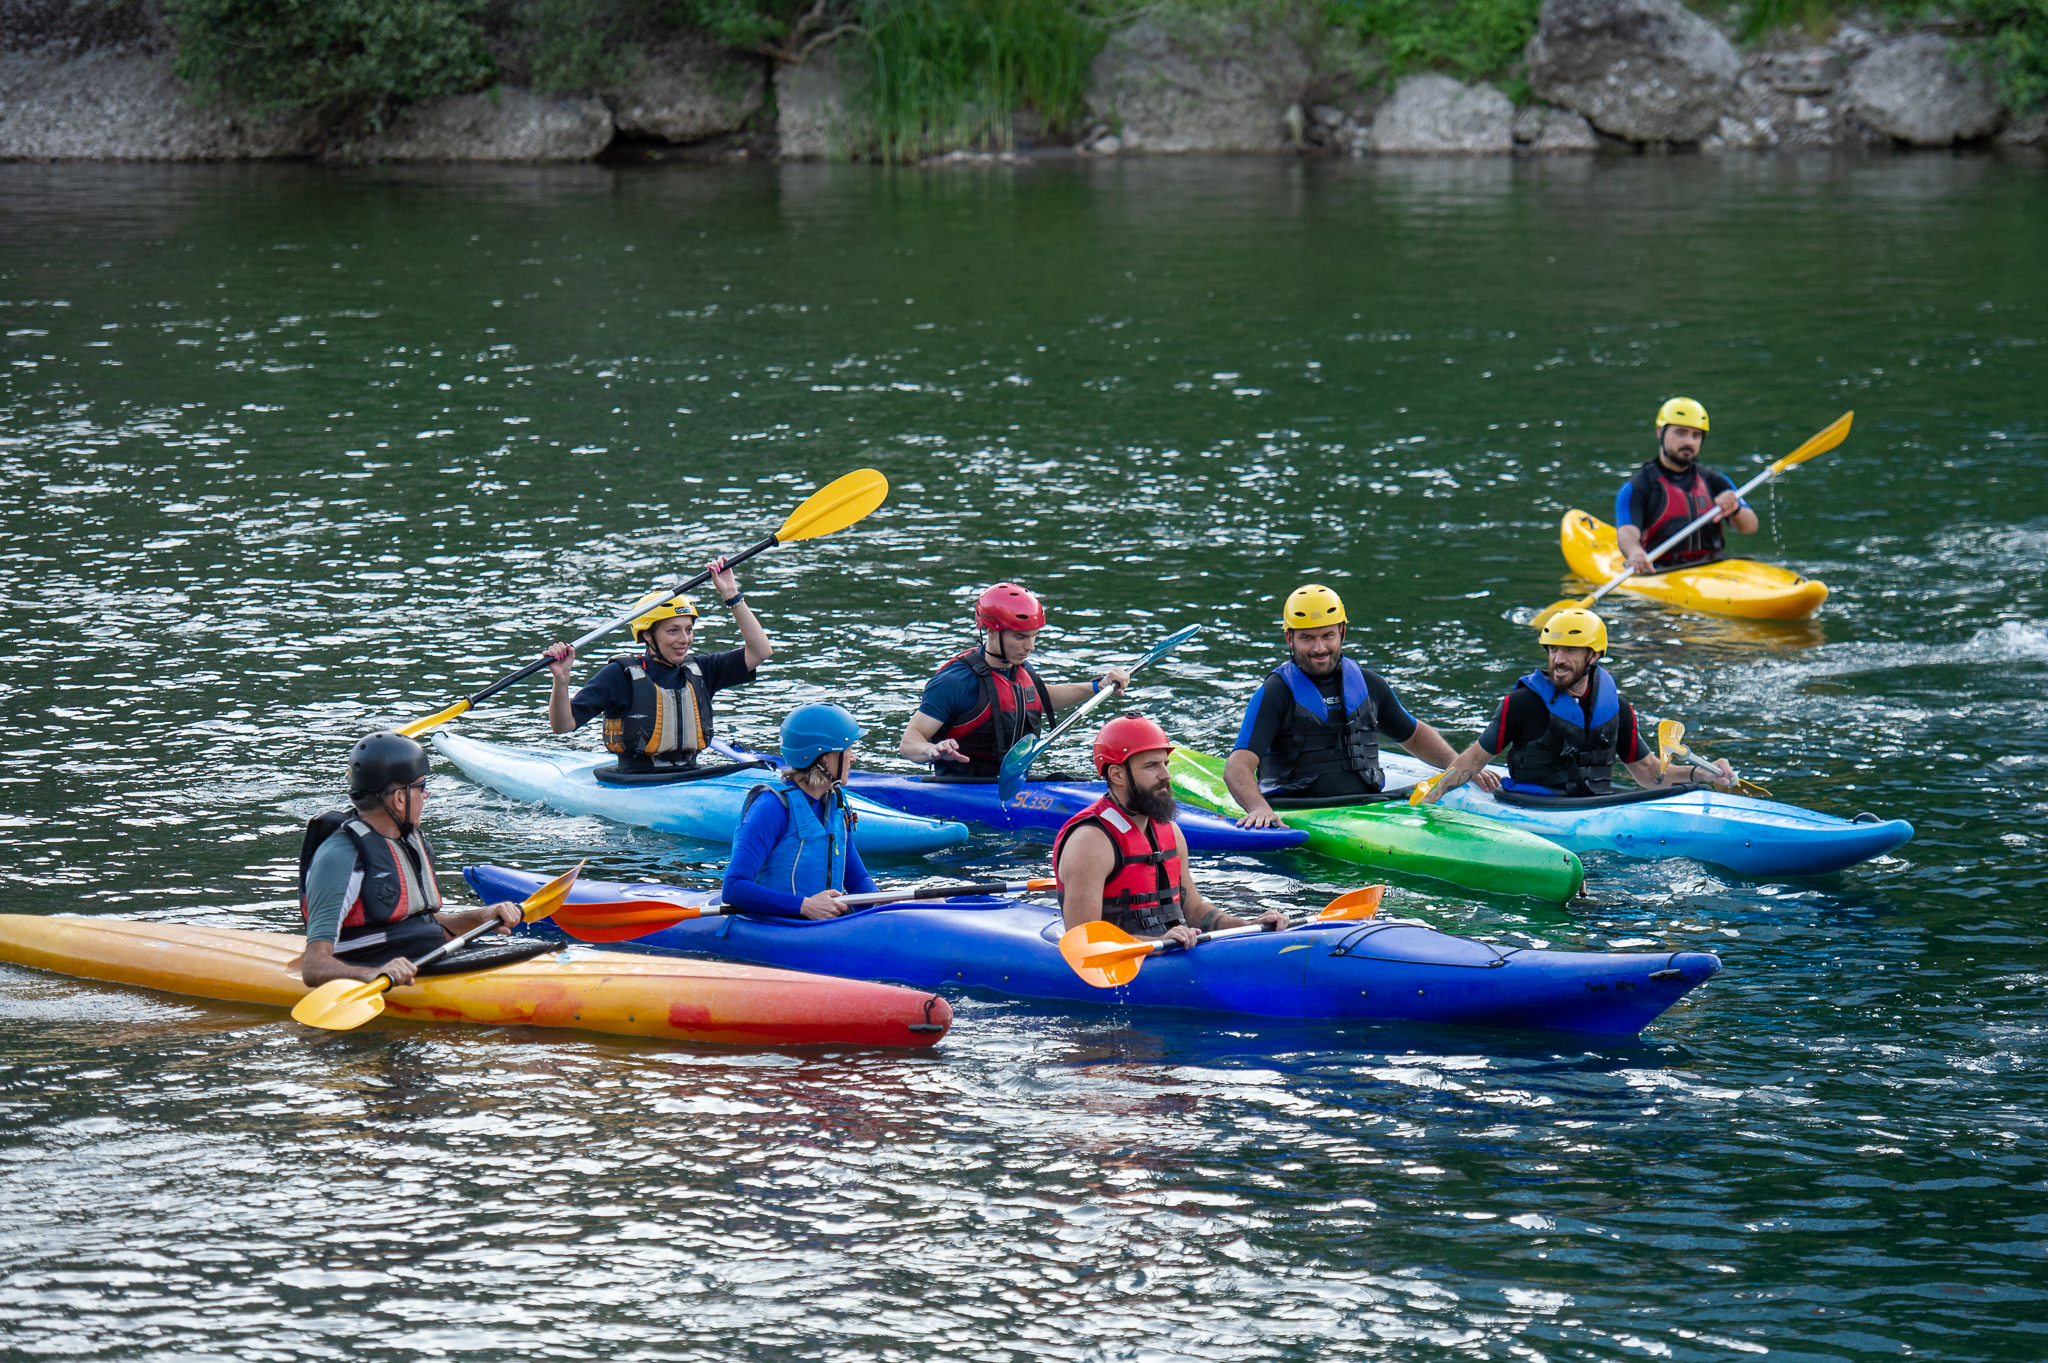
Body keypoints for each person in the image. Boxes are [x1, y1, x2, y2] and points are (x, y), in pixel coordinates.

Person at [1225, 584, 1498, 828]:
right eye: (1307, 638)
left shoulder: (1368, 684)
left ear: (1342, 632)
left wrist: (1456, 763)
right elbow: (1237, 767)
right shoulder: (1276, 692)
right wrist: (1260, 808)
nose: (1319, 648)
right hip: (1299, 811)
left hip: (1369, 810)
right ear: (1289, 638)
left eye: (1327, 635)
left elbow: (1414, 735)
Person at [1418, 608, 1735, 803]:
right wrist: (1433, 798)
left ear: (1594, 656)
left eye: (1570, 650)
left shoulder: (1618, 709)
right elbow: (1472, 761)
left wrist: (1703, 775)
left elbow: (1649, 773)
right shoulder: (1522, 704)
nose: (1558, 659)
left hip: (1593, 808)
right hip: (1534, 809)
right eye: (1553, 649)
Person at [298, 732, 522, 988]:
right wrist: (370, 975)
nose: (426, 795)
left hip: (428, 957)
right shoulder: (340, 857)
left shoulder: (409, 841)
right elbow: (312, 965)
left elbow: (420, 923)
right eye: (422, 786)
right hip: (379, 970)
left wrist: (480, 916)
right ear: (400, 798)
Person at [1053, 716, 1285, 948]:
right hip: (1124, 963)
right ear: (1117, 775)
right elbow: (1082, 939)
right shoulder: (1090, 841)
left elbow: (1194, 910)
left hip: (1167, 949)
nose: (1166, 775)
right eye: (1151, 766)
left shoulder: (1169, 830)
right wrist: (1157, 943)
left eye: (1165, 764)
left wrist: (1250, 926)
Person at [542, 556, 771, 779]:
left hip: (691, 774)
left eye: (688, 630)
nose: (684, 639)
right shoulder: (619, 676)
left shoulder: (701, 670)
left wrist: (731, 595)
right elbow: (563, 726)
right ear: (647, 636)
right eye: (673, 631)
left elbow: (760, 652)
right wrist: (561, 680)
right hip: (636, 781)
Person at [897, 582, 1130, 777]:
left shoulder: (1020, 670)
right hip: (961, 785)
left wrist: (1097, 686)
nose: (1030, 646)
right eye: (1020, 637)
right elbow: (908, 743)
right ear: (990, 631)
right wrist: (933, 749)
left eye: (1034, 636)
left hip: (1012, 782)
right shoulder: (954, 682)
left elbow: (1039, 697)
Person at [722, 703, 880, 920]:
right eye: (848, 749)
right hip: (776, 927)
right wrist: (804, 906)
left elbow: (857, 880)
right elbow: (733, 887)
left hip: (819, 927)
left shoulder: (835, 806)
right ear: (824, 757)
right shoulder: (772, 808)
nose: (853, 758)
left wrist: (886, 903)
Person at [1615, 398, 1760, 573]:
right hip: (1661, 571)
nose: (1689, 442)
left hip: (1712, 568)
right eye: (1681, 433)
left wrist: (1735, 509)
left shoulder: (1716, 481)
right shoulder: (1638, 487)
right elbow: (1627, 533)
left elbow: (1750, 527)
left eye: (1696, 435)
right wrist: (1635, 552)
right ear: (1660, 432)